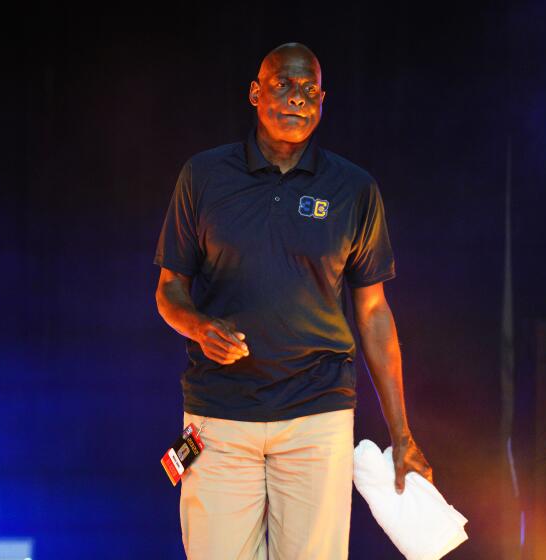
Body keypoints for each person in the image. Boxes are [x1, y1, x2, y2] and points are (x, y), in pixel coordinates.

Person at [154, 42, 433, 560]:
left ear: (322, 100)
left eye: (309, 90)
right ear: (256, 94)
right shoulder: (204, 176)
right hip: (220, 414)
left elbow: (373, 313)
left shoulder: (353, 188)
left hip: (316, 413)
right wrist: (199, 328)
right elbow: (170, 290)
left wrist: (402, 431)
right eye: (283, 85)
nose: (296, 99)